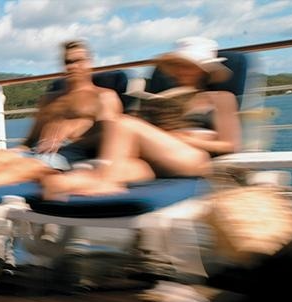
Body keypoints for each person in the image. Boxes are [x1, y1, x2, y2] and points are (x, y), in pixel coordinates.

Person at [42, 36, 241, 198]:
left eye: (187, 65)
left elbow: (230, 145)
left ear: (204, 70)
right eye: (178, 66)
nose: (181, 71)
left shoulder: (220, 98)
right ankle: (61, 195)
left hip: (194, 158)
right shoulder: (168, 96)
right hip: (154, 159)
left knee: (124, 124)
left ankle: (108, 184)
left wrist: (187, 138)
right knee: (83, 174)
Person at [0, 39, 123, 194]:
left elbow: (113, 137)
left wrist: (78, 129)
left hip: (70, 155)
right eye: (67, 62)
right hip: (38, 152)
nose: (72, 67)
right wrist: (12, 152)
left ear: (89, 63)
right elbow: (29, 143)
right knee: (2, 156)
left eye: (78, 61)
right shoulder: (50, 99)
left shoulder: (103, 96)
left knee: (30, 165)